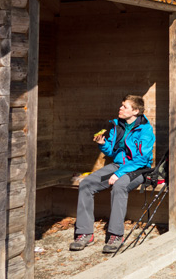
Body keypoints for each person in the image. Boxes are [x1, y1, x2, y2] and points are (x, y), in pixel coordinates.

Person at [69, 95, 155, 253]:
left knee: (119, 185)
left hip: (138, 169)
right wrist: (103, 144)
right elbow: (113, 151)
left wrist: (119, 174)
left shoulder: (145, 130)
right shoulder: (118, 125)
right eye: (121, 105)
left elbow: (141, 159)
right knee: (86, 184)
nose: (120, 108)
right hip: (117, 166)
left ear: (135, 111)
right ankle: (85, 233)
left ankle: (116, 235)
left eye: (125, 107)